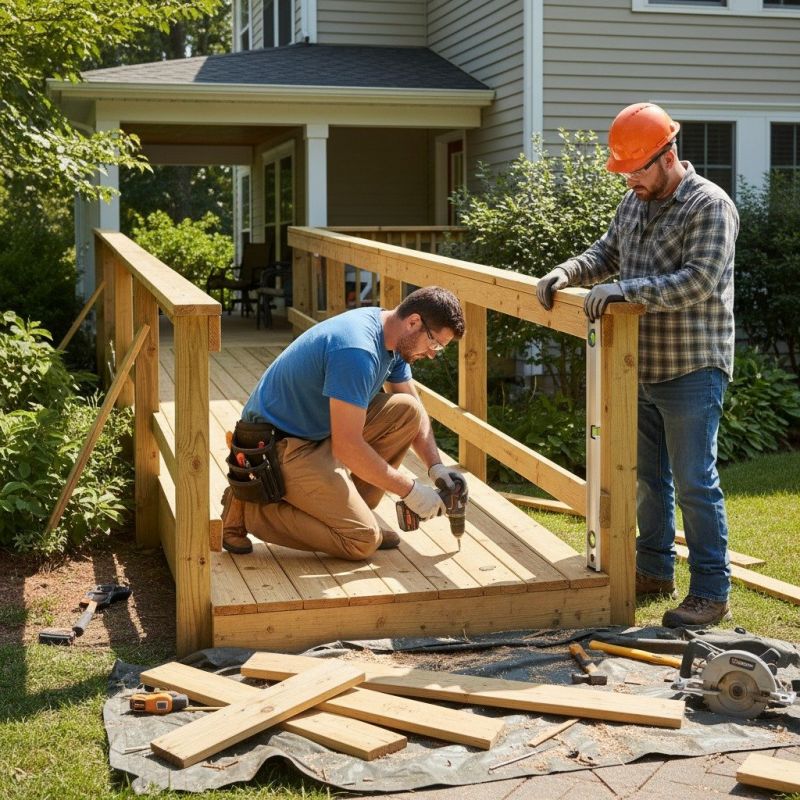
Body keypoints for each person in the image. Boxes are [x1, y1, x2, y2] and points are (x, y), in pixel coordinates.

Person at [535, 102, 738, 628]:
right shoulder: (634, 201)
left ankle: (711, 591)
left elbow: (699, 281)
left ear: (668, 156)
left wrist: (626, 290)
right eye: (623, 172)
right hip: (638, 365)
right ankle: (653, 569)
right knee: (648, 478)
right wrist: (566, 272)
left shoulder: (710, 205)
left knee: (694, 481)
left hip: (692, 365)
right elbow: (605, 254)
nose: (629, 181)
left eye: (636, 170)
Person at [221, 286, 466, 561]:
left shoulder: (392, 337)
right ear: (413, 322)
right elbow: (347, 447)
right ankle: (247, 511)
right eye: (434, 344)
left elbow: (415, 412)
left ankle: (351, 517)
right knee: (361, 541)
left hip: (316, 433)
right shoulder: (357, 350)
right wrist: (410, 490)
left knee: (407, 411)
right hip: (276, 447)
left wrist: (436, 467)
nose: (432, 354)